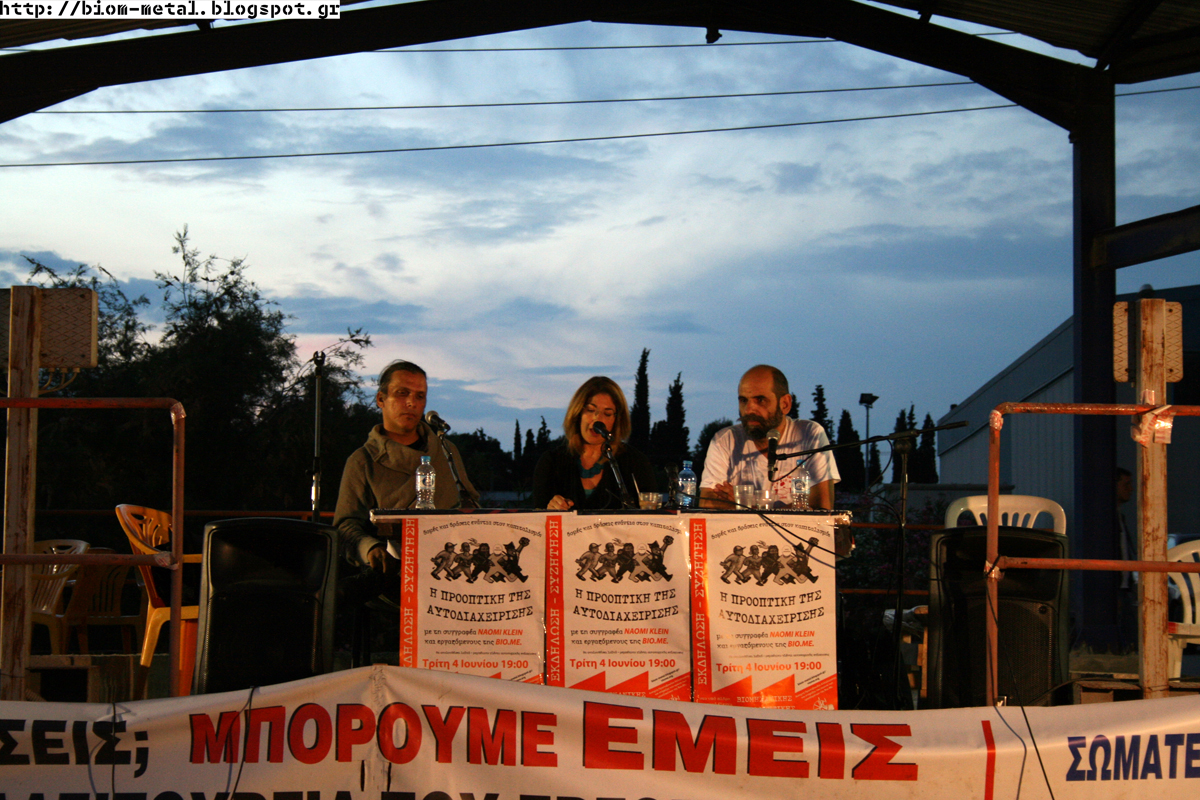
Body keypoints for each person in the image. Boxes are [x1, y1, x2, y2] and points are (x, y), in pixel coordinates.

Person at [334, 360, 479, 574]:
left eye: (420, 396)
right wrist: (370, 548)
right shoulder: (363, 461)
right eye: (402, 393)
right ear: (381, 399)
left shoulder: (446, 452)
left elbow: (471, 504)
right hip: (391, 575)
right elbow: (346, 526)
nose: (411, 402)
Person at [700, 365, 839, 510]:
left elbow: (821, 506)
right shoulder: (725, 440)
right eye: (743, 400)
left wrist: (745, 506)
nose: (749, 409)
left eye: (760, 400)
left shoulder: (809, 434)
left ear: (785, 404)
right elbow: (706, 502)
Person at [532, 376, 656, 510]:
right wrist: (550, 509)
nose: (598, 419)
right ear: (577, 414)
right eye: (590, 410)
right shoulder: (552, 462)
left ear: (617, 420)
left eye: (607, 414)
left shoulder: (635, 462)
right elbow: (536, 516)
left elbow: (650, 514)